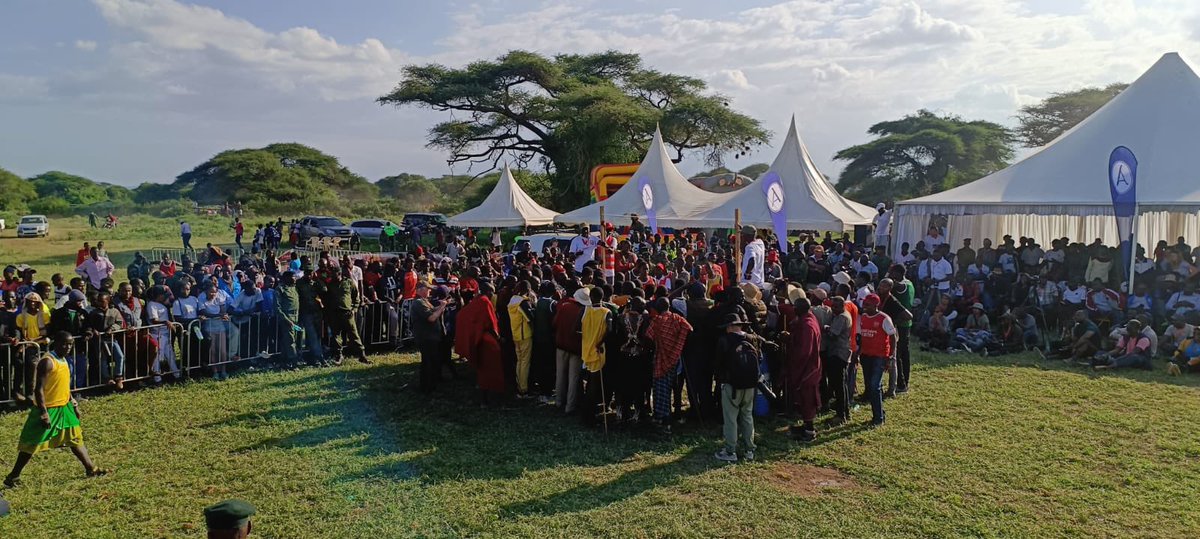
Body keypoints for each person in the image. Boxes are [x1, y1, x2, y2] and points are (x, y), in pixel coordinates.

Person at [5, 332, 110, 488]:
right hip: (49, 409)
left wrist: (73, 404)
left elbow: (64, 385)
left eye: (70, 344)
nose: (67, 347)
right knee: (32, 443)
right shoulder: (48, 362)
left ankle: (91, 469)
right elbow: (38, 389)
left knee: (75, 438)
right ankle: (13, 476)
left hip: (65, 407)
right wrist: (43, 413)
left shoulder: (64, 360)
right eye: (64, 344)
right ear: (56, 343)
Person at [713, 313, 766, 462]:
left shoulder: (724, 340)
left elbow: (718, 363)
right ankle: (750, 449)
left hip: (731, 385)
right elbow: (760, 358)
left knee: (730, 418)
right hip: (750, 384)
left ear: (730, 327)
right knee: (747, 416)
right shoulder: (752, 339)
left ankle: (731, 451)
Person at [645, 297, 692, 433]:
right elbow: (689, 329)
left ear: (657, 309)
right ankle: (667, 416)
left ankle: (663, 418)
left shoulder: (657, 321)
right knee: (671, 387)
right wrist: (677, 345)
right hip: (675, 359)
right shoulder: (677, 319)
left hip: (661, 359)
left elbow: (648, 338)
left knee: (661, 389)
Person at [456, 282, 505, 405]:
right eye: (492, 292)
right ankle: (489, 397)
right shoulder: (485, 301)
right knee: (490, 368)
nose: (493, 295)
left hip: (478, 338)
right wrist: (498, 338)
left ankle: (486, 395)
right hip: (486, 340)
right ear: (488, 291)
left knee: (482, 368)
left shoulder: (477, 300)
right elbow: (490, 323)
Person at [852, 294, 897, 426]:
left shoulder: (884, 318)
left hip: (880, 357)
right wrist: (858, 352)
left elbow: (893, 337)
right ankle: (879, 412)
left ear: (876, 305)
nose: (864, 307)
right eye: (864, 304)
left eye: (867, 304)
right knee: (870, 385)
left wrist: (890, 356)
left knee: (874, 386)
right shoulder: (864, 317)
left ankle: (878, 418)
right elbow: (862, 337)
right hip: (866, 356)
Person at [786, 297, 822, 442]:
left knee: (807, 398)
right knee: (803, 398)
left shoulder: (807, 325)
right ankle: (806, 425)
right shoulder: (807, 319)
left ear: (799, 309)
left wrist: (793, 364)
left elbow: (804, 351)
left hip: (808, 367)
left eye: (795, 307)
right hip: (809, 365)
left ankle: (809, 431)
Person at [552, 286, 587, 414]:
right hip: (576, 348)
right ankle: (570, 406)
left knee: (560, 374)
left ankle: (558, 401)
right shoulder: (584, 312)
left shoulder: (565, 307)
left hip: (561, 345)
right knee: (574, 378)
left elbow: (554, 323)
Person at [326, 268, 370, 365]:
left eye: (334, 274)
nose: (332, 276)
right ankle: (338, 356)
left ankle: (362, 355)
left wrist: (354, 309)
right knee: (336, 335)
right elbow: (327, 299)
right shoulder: (330, 284)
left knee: (354, 334)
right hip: (335, 314)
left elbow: (356, 296)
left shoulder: (349, 283)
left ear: (339, 274)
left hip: (347, 313)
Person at [411, 282, 449, 392]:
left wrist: (441, 306)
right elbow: (431, 318)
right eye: (428, 289)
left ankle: (431, 384)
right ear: (420, 290)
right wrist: (442, 307)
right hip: (425, 337)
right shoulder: (418, 302)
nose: (430, 291)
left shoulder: (424, 301)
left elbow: (431, 311)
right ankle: (427, 387)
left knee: (432, 361)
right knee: (428, 362)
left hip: (431, 336)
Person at [507, 281, 536, 398]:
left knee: (519, 361)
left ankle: (519, 385)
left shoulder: (513, 299)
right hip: (525, 335)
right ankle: (523, 389)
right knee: (525, 363)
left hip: (516, 334)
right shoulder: (523, 303)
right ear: (528, 290)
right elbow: (531, 318)